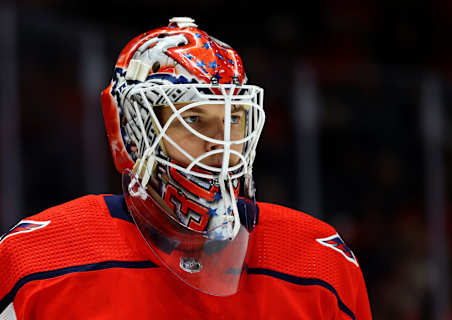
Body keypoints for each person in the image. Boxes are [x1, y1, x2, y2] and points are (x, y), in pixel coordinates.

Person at [0, 17, 372, 319]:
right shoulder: (38, 260)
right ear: (133, 131)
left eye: (233, 120)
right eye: (194, 119)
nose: (221, 144)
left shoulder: (319, 262)